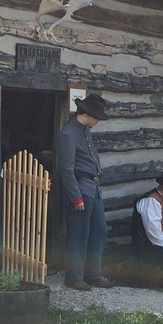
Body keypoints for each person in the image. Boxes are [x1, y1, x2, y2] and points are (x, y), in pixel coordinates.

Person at [56, 92, 112, 291]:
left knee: (99, 231)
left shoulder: (86, 131)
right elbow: (66, 169)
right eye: (97, 117)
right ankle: (74, 276)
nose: (98, 121)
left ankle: (93, 274)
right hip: (81, 189)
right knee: (79, 234)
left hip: (93, 189)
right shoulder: (68, 134)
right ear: (87, 114)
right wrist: (75, 196)